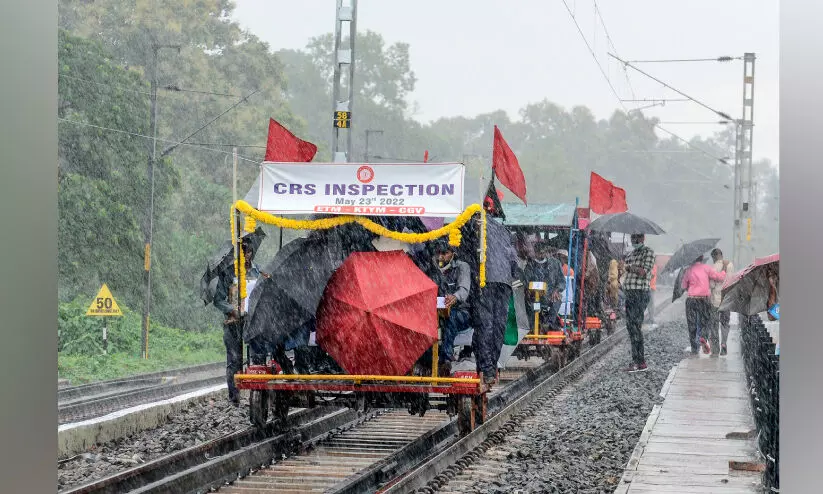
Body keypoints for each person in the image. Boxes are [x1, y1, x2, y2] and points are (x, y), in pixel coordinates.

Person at [213, 238, 262, 406]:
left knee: (257, 358)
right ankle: (234, 397)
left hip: (254, 321)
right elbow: (218, 299)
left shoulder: (258, 271)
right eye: (243, 252)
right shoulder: (228, 273)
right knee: (234, 360)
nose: (247, 256)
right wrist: (232, 310)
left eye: (249, 252)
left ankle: (258, 396)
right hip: (234, 322)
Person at [620, 234, 656, 372]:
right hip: (630, 293)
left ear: (642, 239)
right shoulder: (631, 253)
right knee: (631, 326)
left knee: (635, 325)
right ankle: (638, 360)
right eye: (632, 238)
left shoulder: (648, 252)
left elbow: (643, 271)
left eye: (636, 238)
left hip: (640, 293)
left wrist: (629, 267)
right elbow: (626, 269)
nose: (633, 241)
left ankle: (639, 361)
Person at [435, 242, 472, 373]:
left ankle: (446, 358)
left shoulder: (462, 267)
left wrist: (455, 297)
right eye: (438, 253)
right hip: (438, 311)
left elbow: (464, 290)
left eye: (444, 253)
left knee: (451, 317)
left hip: (462, 311)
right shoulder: (435, 269)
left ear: (452, 254)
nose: (441, 257)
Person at [681, 255, 728, 356]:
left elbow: (684, 286)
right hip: (704, 299)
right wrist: (724, 270)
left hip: (691, 299)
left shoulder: (688, 270)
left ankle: (694, 349)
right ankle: (703, 337)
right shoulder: (706, 268)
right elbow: (719, 278)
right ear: (702, 258)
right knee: (705, 321)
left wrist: (691, 287)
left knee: (691, 325)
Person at [524, 241, 565, 331]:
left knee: (557, 299)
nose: (541, 254)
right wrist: (527, 291)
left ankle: (549, 322)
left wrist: (556, 290)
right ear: (535, 252)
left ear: (546, 251)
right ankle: (532, 326)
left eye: (543, 252)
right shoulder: (530, 265)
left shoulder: (555, 263)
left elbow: (561, 281)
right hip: (534, 296)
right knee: (527, 303)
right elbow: (526, 281)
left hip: (550, 295)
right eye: (539, 252)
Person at [709, 249, 734, 356]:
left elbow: (712, 285)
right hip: (726, 299)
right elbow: (732, 281)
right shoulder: (730, 265)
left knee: (714, 324)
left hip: (715, 301)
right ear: (721, 255)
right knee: (725, 323)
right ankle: (724, 343)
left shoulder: (713, 267)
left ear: (713, 257)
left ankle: (715, 349)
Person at [645, 264, 659, 329]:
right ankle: (650, 318)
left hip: (651, 287)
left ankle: (652, 318)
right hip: (646, 287)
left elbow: (652, 275)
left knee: (651, 303)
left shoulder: (653, 266)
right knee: (648, 303)